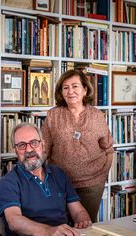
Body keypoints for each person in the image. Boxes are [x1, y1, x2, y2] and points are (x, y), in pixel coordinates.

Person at [0, 123, 91, 236]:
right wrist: (48, 232)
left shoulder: (59, 174)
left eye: (34, 142)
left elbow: (78, 211)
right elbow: (14, 221)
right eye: (21, 145)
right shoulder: (7, 183)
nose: (29, 149)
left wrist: (82, 220)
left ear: (43, 145)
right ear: (15, 151)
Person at [42, 69, 114, 223]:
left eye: (75, 86)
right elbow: (44, 149)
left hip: (92, 185)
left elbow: (108, 148)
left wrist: (102, 175)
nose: (70, 91)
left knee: (86, 227)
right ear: (61, 92)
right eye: (65, 87)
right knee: (60, 226)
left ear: (85, 90)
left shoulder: (97, 115)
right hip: (59, 184)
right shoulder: (53, 115)